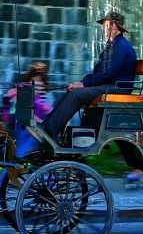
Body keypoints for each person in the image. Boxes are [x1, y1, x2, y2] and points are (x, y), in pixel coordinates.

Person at [38, 10, 137, 145]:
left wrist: (84, 84)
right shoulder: (114, 45)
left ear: (114, 26)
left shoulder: (121, 47)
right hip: (109, 84)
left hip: (117, 88)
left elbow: (106, 74)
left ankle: (49, 131)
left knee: (76, 94)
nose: (103, 28)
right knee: (72, 91)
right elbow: (100, 71)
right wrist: (81, 82)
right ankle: (48, 127)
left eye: (106, 25)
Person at [2, 61, 52, 125]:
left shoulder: (40, 100)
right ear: (28, 81)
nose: (37, 84)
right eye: (34, 81)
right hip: (18, 128)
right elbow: (8, 99)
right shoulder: (20, 92)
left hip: (34, 130)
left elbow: (48, 110)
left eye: (40, 81)